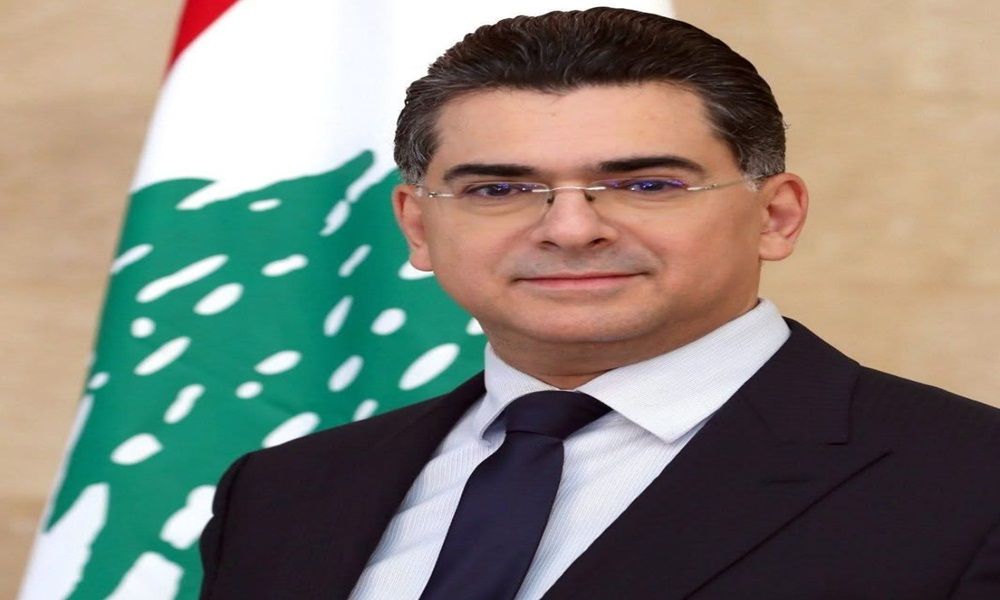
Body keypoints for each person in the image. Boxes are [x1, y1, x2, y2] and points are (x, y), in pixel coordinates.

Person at [198, 8, 1000, 599]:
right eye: (500, 189)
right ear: (417, 226)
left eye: (646, 185)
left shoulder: (971, 484)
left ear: (775, 216)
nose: (570, 229)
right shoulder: (281, 493)